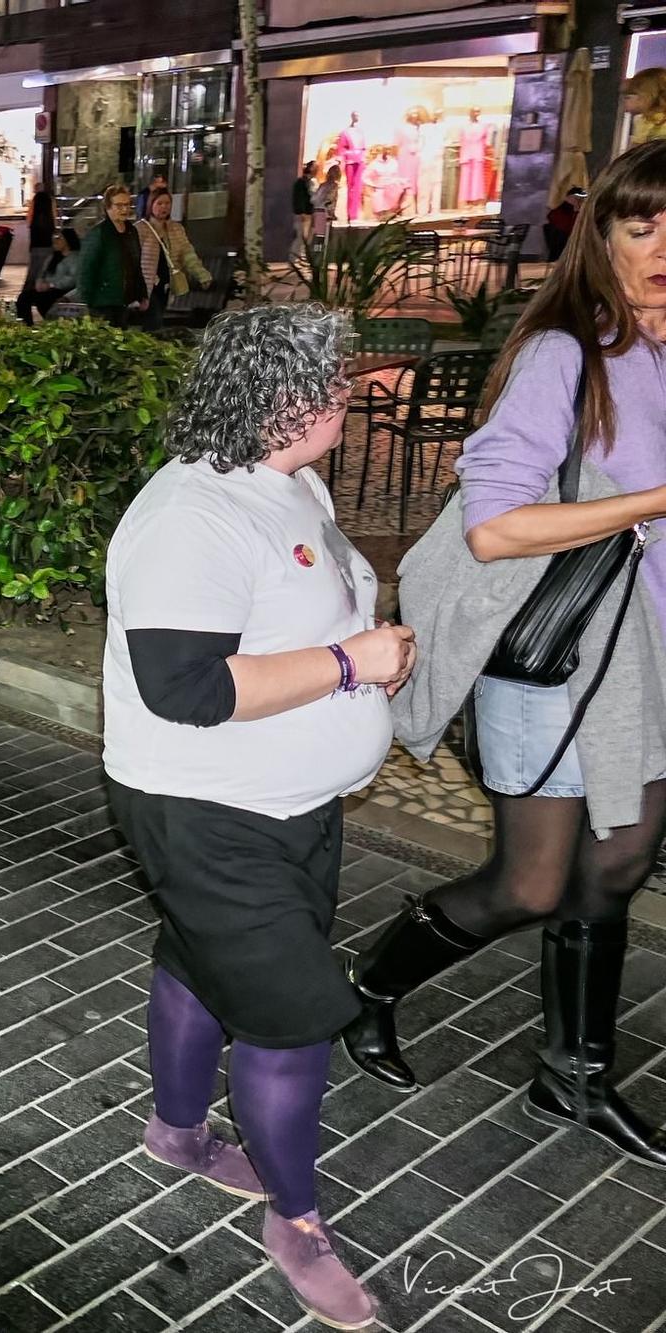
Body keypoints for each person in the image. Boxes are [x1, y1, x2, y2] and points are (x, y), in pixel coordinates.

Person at [346, 140, 666, 1168]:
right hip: (564, 652)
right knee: (531, 881)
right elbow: (491, 527)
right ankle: (363, 989)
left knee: (613, 865)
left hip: (653, 649)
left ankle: (569, 1075)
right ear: (600, 233)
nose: (658, 248)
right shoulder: (566, 354)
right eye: (638, 224)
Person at [103, 304, 414, 1331]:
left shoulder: (289, 480)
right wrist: (349, 664)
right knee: (291, 1016)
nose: (348, 392)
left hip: (289, 801)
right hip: (203, 806)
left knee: (198, 954)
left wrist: (357, 644)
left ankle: (176, 1130)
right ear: (279, 400)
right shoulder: (187, 514)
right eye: (330, 381)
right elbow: (183, 686)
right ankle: (295, 1221)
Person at [136, 190, 212, 333]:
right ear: (150, 205)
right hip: (147, 284)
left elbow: (187, 253)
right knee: (154, 319)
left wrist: (201, 274)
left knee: (157, 318)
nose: (164, 207)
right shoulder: (141, 229)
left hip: (166, 284)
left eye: (167, 203)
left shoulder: (176, 229)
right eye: (159, 203)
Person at [77, 185, 146, 327]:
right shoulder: (99, 233)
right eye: (119, 205)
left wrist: (142, 294)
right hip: (102, 302)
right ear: (108, 207)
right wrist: (87, 302)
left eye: (127, 205)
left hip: (125, 299)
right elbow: (86, 269)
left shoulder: (131, 231)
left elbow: (136, 265)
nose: (125, 210)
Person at [15, 228, 83, 325]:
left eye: (58, 238)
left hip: (63, 290)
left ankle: (53, 322)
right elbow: (42, 272)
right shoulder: (53, 257)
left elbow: (72, 279)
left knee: (44, 300)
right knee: (24, 297)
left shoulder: (75, 258)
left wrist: (51, 285)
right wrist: (39, 282)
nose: (55, 241)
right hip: (48, 288)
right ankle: (26, 324)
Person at [22, 185, 56, 295]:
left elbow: (29, 220)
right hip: (47, 243)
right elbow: (54, 219)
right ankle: (39, 292)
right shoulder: (50, 201)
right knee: (43, 270)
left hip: (35, 243)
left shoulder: (35, 201)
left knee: (33, 270)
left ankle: (28, 292)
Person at [545, 186, 584, 265]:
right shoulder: (562, 212)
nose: (579, 201)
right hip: (561, 246)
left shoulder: (573, 212)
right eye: (577, 198)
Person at [291, 162, 318, 262]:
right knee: (301, 237)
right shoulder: (302, 182)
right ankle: (295, 258)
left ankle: (302, 257)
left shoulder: (312, 182)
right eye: (315, 168)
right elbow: (299, 198)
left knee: (307, 238)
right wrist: (301, 212)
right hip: (304, 214)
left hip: (309, 213)